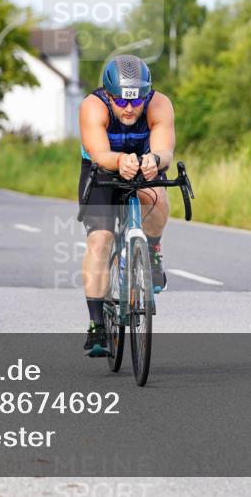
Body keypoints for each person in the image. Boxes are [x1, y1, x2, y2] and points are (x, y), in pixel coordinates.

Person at [77, 54, 175, 356]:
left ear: (147, 94)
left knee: (157, 199)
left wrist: (154, 160)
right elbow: (99, 153)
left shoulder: (160, 104)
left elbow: (164, 150)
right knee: (100, 240)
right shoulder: (93, 106)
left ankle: (153, 252)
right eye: (121, 101)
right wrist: (120, 161)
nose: (130, 108)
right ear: (108, 95)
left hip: (145, 164)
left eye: (137, 101)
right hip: (103, 166)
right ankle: (97, 326)